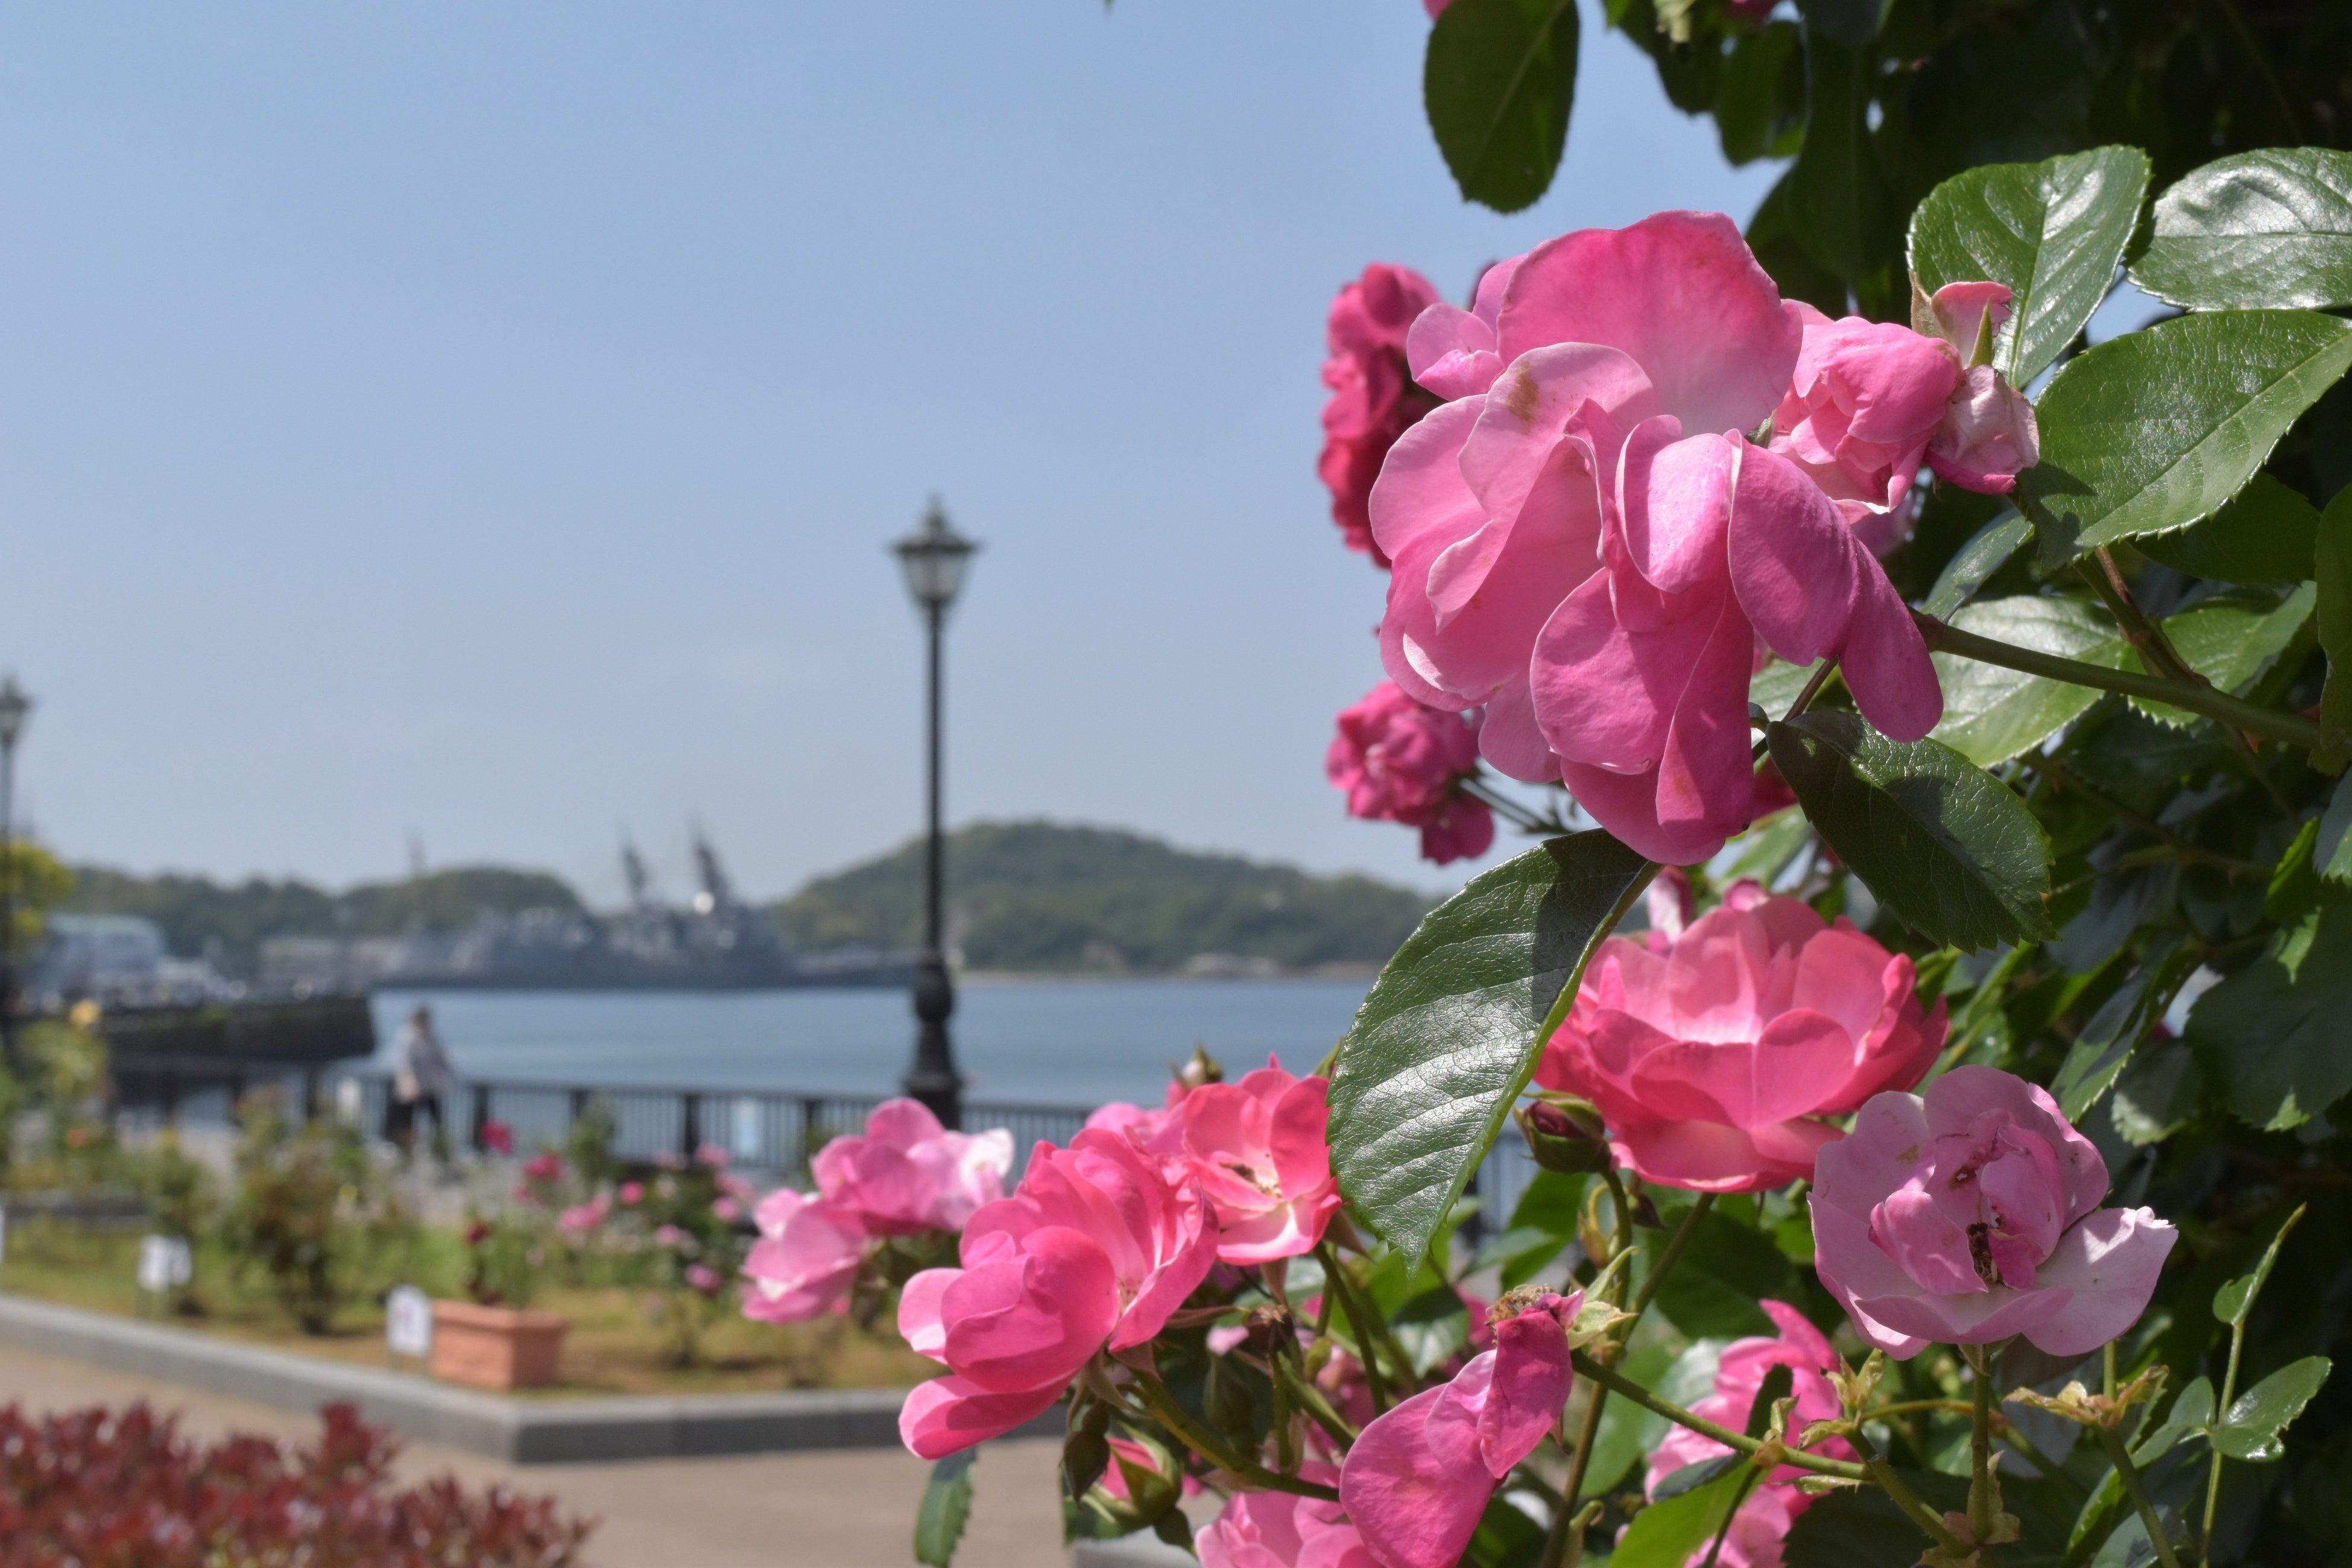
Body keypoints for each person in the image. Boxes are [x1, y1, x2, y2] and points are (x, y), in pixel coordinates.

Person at [389, 1004, 458, 1161]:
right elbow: (403, 1062)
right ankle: (404, 1151)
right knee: (405, 1121)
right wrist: (410, 1083)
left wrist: (451, 1079)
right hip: (410, 1089)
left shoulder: (432, 1036)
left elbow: (443, 1058)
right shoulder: (406, 1035)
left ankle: (440, 1149)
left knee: (436, 1120)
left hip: (429, 1087)